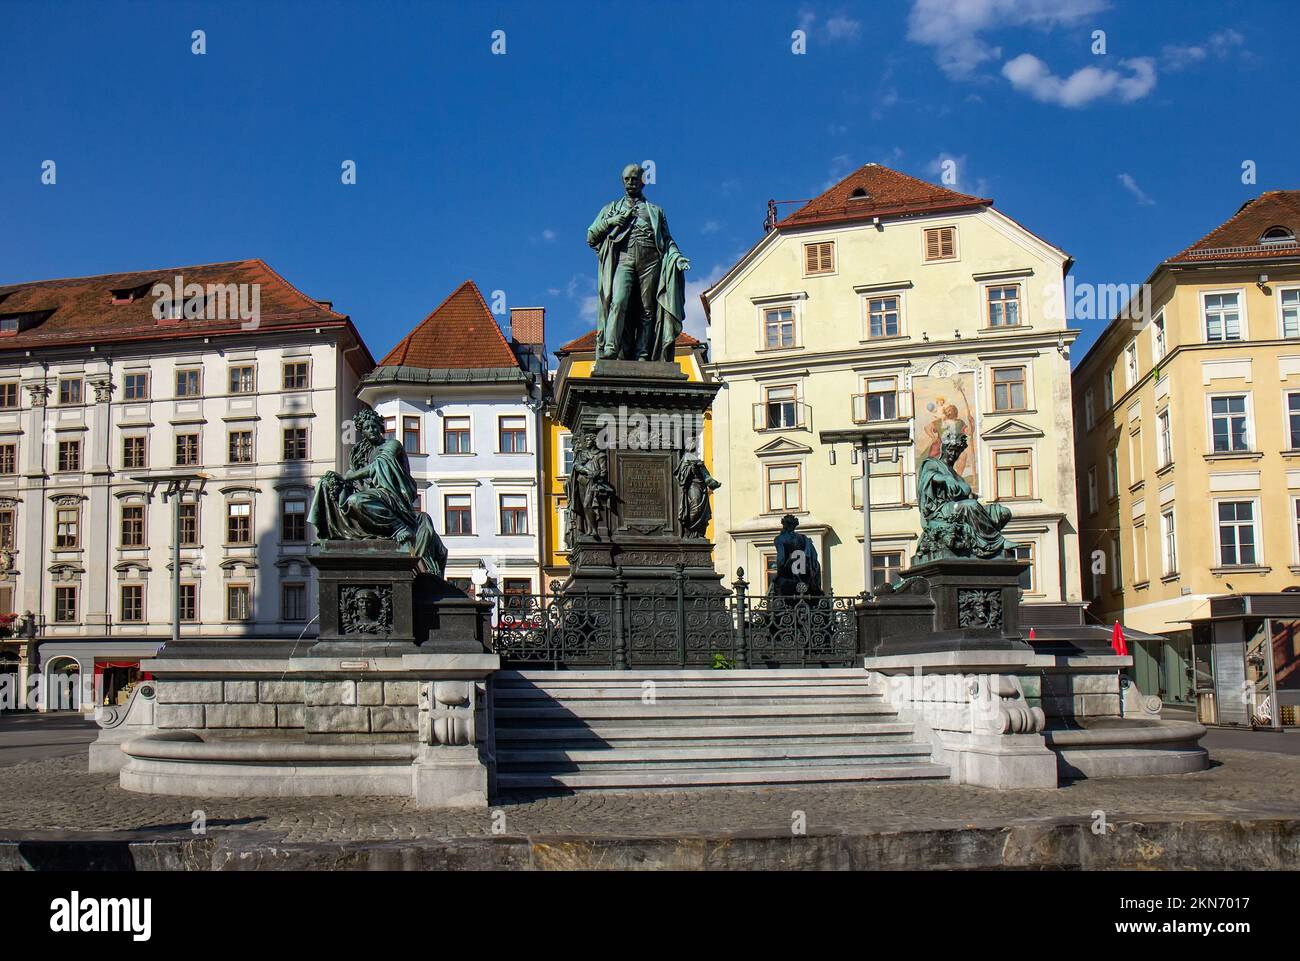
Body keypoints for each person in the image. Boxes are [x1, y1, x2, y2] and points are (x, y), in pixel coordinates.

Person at [309, 406, 448, 575]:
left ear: (380, 427)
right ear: (362, 431)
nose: (371, 430)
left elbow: (379, 465)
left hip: (391, 495)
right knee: (324, 484)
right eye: (367, 428)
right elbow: (353, 476)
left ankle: (399, 528)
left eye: (374, 426)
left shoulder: (392, 444)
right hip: (371, 495)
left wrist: (346, 478)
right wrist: (337, 481)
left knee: (356, 501)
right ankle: (330, 532)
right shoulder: (358, 452)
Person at [587, 163, 690, 361]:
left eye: (634, 179)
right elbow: (591, 236)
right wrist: (610, 222)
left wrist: (677, 257)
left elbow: (667, 240)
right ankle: (611, 348)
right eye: (627, 179)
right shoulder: (611, 209)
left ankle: (643, 353)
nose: (630, 183)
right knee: (618, 301)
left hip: (650, 260)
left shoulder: (655, 211)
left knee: (647, 308)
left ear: (643, 181)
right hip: (624, 259)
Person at [915, 427, 1015, 562]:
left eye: (957, 452)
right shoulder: (932, 464)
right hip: (941, 510)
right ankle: (997, 543)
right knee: (971, 506)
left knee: (1003, 512)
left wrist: (970, 495)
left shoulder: (956, 474)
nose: (953, 454)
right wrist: (945, 478)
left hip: (960, 508)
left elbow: (964, 495)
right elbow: (928, 476)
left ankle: (984, 541)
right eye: (950, 450)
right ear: (943, 449)